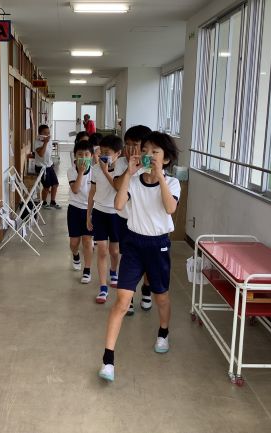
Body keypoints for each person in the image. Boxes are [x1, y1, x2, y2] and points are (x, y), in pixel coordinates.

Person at [99, 132, 180, 382]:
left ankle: (163, 332)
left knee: (161, 297)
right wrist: (129, 175)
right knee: (122, 301)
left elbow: (170, 208)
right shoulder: (133, 181)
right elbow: (119, 205)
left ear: (166, 159)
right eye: (145, 151)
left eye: (155, 152)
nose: (148, 155)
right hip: (134, 244)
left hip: (158, 245)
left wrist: (160, 177)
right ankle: (108, 360)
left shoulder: (173, 183)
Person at [114, 125, 153, 316]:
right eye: (127, 144)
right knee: (127, 259)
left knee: (148, 261)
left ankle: (146, 288)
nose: (130, 149)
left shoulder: (150, 163)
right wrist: (130, 170)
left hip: (146, 221)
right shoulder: (122, 162)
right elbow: (116, 185)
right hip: (125, 220)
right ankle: (128, 296)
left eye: (135, 145)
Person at [87, 135, 123, 304]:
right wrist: (88, 215)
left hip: (116, 214)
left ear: (118, 154)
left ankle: (113, 271)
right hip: (99, 212)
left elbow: (118, 189)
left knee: (114, 251)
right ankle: (102, 287)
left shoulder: (122, 170)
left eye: (107, 153)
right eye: (101, 152)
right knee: (102, 249)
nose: (103, 156)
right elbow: (92, 193)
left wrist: (106, 171)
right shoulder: (95, 169)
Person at [67, 140, 94, 283]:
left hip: (90, 210)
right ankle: (75, 254)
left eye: (86, 154)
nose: (83, 157)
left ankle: (87, 270)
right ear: (75, 156)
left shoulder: (95, 172)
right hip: (74, 209)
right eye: (80, 154)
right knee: (74, 243)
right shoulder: (71, 171)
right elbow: (75, 189)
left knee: (87, 241)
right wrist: (81, 173)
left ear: (91, 156)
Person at [34, 125, 61, 209]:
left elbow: (48, 154)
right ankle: (44, 203)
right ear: (40, 133)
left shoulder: (49, 140)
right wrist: (45, 143)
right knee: (46, 186)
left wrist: (51, 163)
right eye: (45, 133)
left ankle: (53, 202)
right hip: (41, 168)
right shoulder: (37, 142)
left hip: (49, 166)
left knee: (55, 184)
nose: (47, 134)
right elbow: (41, 154)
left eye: (48, 133)